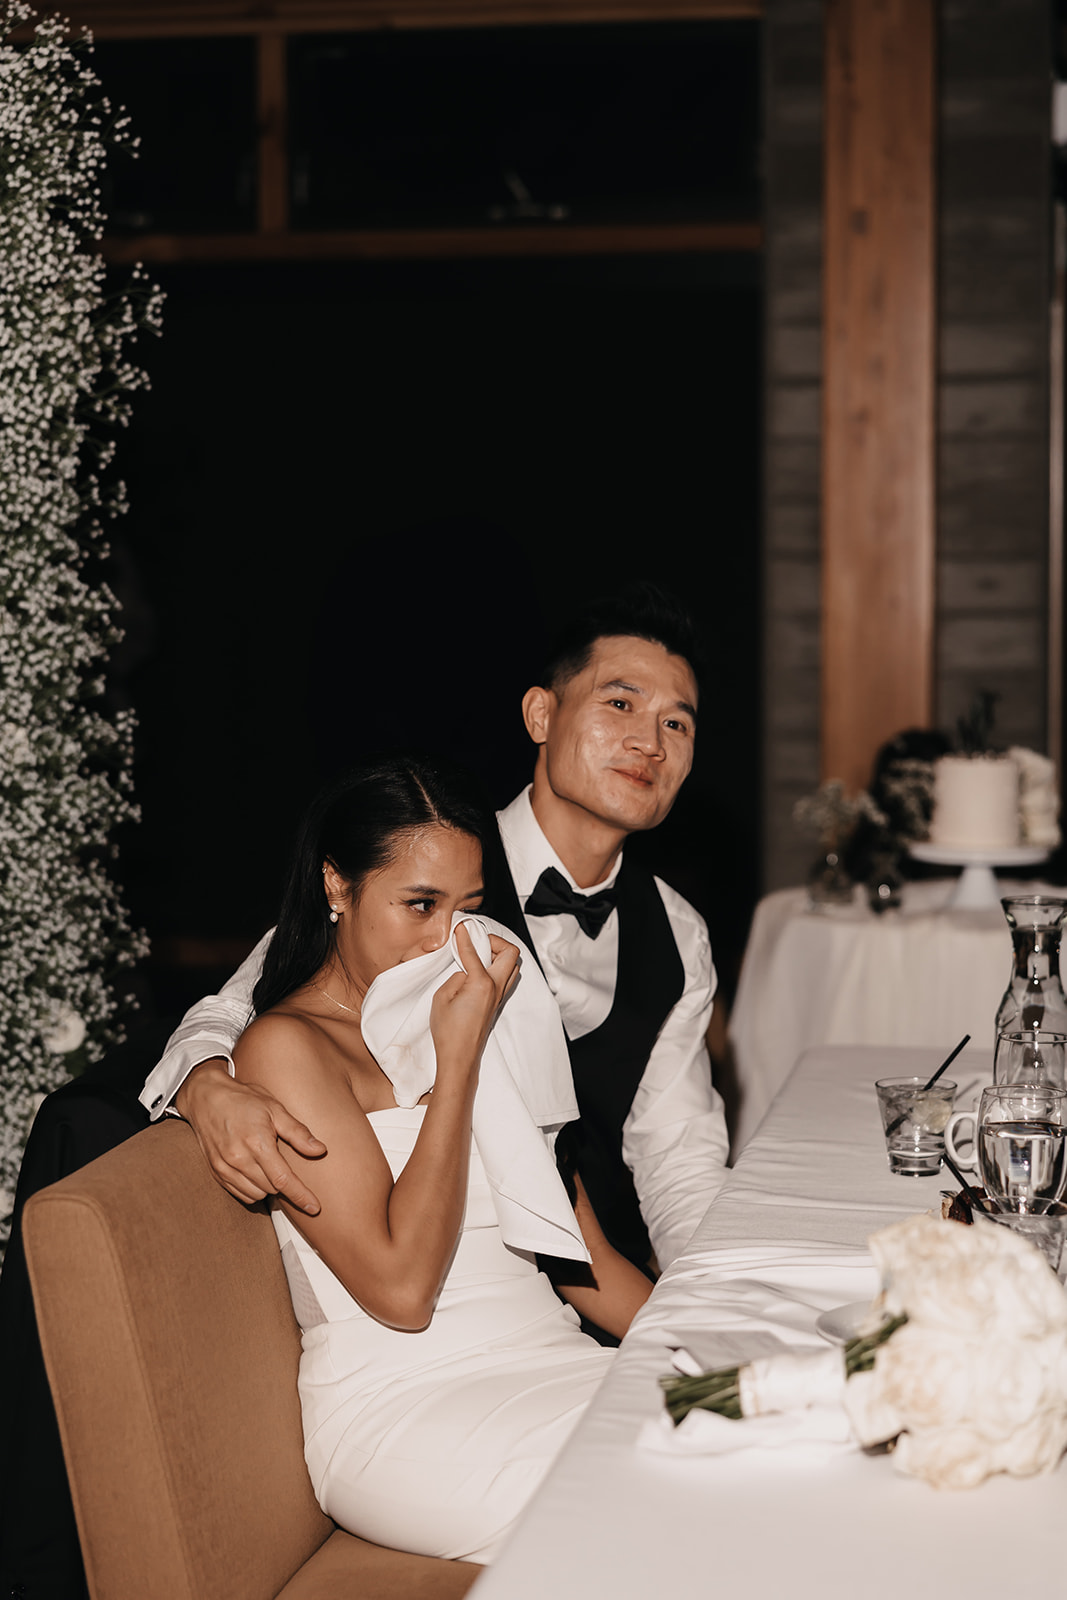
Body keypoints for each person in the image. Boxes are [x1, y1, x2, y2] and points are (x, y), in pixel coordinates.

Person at [141, 584, 728, 1281]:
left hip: (601, 1276)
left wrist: (708, 1296)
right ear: (541, 714)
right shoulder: (434, 865)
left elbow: (678, 1155)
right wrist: (206, 1082)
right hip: (452, 1272)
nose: (646, 743)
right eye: (620, 704)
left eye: (676, 725)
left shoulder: (677, 931)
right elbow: (245, 998)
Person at [231, 755, 640, 1562]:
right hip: (408, 1408)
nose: (450, 940)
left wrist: (717, 1341)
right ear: (337, 887)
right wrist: (457, 1067)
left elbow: (583, 1259)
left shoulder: (487, 1011)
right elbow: (402, 1290)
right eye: (418, 904)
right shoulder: (289, 1047)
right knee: (658, 1499)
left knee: (763, 1439)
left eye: (469, 908)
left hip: (553, 1363)